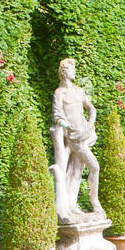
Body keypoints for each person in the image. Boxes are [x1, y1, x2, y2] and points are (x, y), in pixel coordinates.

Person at [49, 57, 103, 220]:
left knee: (78, 170)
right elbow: (57, 116)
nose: (75, 72)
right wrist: (67, 127)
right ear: (65, 72)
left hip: (85, 134)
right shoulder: (60, 93)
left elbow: (92, 109)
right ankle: (94, 202)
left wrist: (90, 124)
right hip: (73, 137)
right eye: (72, 69)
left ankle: (80, 203)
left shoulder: (79, 91)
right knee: (94, 166)